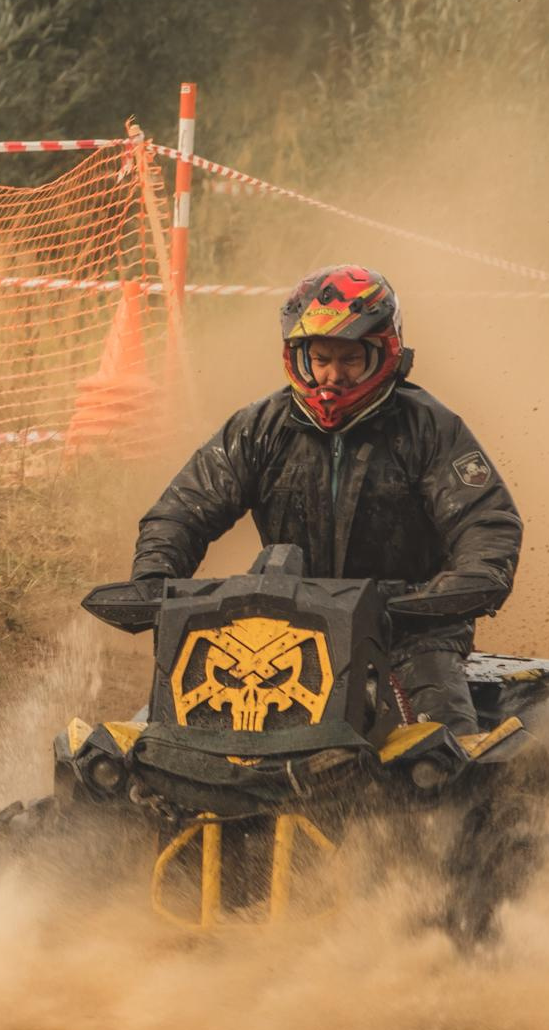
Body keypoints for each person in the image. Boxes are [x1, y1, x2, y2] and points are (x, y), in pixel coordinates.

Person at [131, 265, 522, 736]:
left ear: (383, 354)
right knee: (159, 737)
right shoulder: (259, 428)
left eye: (349, 359)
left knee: (445, 748)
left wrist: (460, 586)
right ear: (299, 357)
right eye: (320, 358)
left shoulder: (430, 428)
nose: (332, 376)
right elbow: (183, 510)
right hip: (282, 633)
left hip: (408, 631)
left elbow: (486, 523)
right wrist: (155, 577)